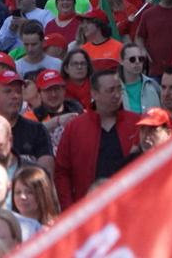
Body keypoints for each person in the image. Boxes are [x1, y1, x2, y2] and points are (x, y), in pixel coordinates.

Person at [54, 70, 140, 210]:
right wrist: (69, 208)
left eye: (119, 89)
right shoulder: (75, 127)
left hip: (129, 205)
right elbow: (62, 172)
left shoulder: (136, 123)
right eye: (110, 90)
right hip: (88, 208)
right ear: (94, 93)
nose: (117, 95)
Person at [0, 71, 55, 174]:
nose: (15, 96)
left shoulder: (37, 130)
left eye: (18, 91)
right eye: (8, 91)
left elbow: (46, 171)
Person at [119, 43, 160, 114]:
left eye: (141, 59)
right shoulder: (114, 88)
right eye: (132, 59)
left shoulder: (153, 85)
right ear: (121, 61)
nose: (137, 62)